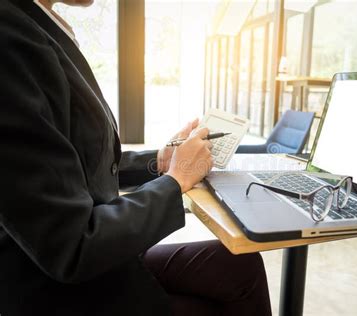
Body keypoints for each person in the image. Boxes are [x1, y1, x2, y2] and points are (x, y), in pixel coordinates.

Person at [0, 0, 272, 315]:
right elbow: (72, 246)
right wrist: (176, 179)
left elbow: (70, 157)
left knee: (239, 265)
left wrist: (160, 160)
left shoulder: (36, 23)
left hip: (89, 265)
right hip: (59, 288)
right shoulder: (10, 36)